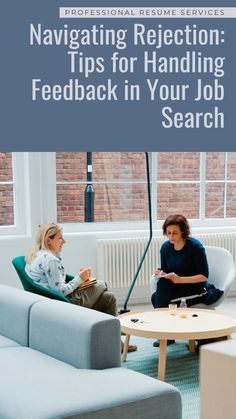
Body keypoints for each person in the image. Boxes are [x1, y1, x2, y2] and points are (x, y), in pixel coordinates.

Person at [25, 223, 137, 352]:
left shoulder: (36, 255)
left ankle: (117, 343)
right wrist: (79, 279)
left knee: (109, 298)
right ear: (48, 240)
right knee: (101, 284)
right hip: (64, 302)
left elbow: (55, 283)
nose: (64, 241)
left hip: (53, 301)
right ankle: (114, 330)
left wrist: (79, 281)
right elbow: (59, 290)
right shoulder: (50, 260)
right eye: (60, 238)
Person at [151, 214, 224, 309]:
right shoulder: (165, 248)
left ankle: (161, 320)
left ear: (183, 231)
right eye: (168, 232)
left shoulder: (195, 247)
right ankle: (163, 319)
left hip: (194, 287)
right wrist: (162, 273)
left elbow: (204, 276)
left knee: (159, 300)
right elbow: (166, 272)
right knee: (157, 294)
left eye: (175, 233)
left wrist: (180, 279)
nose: (171, 236)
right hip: (176, 285)